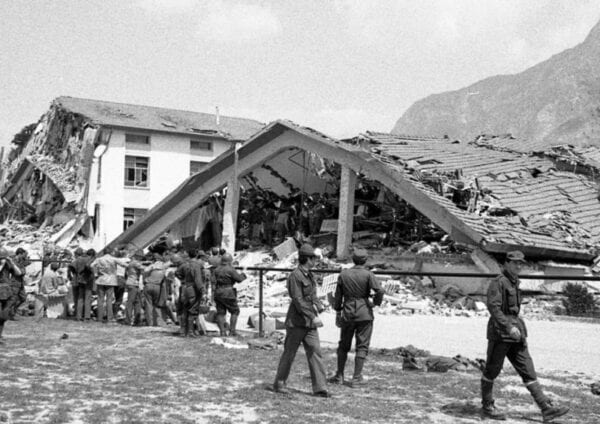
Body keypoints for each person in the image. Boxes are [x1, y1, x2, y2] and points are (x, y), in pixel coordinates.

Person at [481, 250, 569, 422]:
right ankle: (487, 406)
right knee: (492, 370)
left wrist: (516, 329)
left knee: (528, 369)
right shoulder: (499, 283)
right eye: (514, 262)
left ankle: (545, 408)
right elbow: (494, 307)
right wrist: (508, 327)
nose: (518, 265)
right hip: (501, 334)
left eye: (521, 263)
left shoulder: (515, 282)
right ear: (506, 263)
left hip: (516, 333)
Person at [273, 244, 329, 397]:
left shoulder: (309, 275)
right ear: (308, 259)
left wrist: (319, 305)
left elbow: (312, 295)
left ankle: (320, 387)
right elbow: (298, 300)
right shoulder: (295, 276)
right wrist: (313, 316)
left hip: (309, 323)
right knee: (289, 353)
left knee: (315, 352)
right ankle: (280, 383)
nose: (316, 261)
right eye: (314, 258)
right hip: (297, 322)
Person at [329, 248, 384, 387]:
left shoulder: (344, 274)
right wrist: (375, 303)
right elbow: (380, 291)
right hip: (364, 312)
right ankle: (356, 378)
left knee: (343, 345)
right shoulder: (368, 274)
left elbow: (338, 297)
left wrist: (337, 312)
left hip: (347, 312)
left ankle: (339, 375)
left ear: (353, 259)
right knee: (362, 346)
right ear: (365, 260)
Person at [91, 248, 129, 323]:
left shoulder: (99, 259)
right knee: (109, 299)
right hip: (111, 280)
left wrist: (96, 273)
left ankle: (99, 317)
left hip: (101, 279)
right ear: (111, 252)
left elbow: (91, 265)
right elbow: (124, 264)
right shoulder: (113, 259)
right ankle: (109, 317)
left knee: (100, 299)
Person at [212, 253, 246, 336]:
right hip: (228, 292)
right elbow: (239, 279)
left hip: (218, 291)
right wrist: (243, 273)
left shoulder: (216, 269)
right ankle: (232, 331)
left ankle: (222, 332)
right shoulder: (230, 269)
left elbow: (213, 281)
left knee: (220, 312)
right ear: (230, 261)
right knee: (235, 311)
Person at [174, 252, 205, 337]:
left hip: (185, 288)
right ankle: (190, 332)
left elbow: (176, 273)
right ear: (197, 256)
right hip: (193, 289)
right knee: (192, 310)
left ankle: (183, 331)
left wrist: (183, 279)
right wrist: (202, 290)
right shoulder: (196, 265)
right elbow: (198, 280)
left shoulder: (185, 265)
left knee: (184, 310)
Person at [0, 247, 23, 341]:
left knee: (4, 316)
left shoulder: (8, 263)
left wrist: (12, 263)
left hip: (6, 291)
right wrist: (1, 265)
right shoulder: (2, 265)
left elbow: (19, 273)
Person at [68, 247, 95, 321]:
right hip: (88, 280)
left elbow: (70, 266)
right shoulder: (91, 259)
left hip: (80, 280)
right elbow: (89, 267)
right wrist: (90, 272)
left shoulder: (78, 259)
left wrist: (75, 274)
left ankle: (78, 316)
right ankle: (87, 316)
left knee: (80, 298)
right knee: (87, 298)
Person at [124, 250, 145, 326]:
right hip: (133, 283)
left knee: (137, 303)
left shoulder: (133, 262)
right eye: (141, 257)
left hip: (134, 284)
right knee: (131, 302)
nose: (142, 258)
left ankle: (136, 320)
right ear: (137, 256)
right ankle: (128, 320)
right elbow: (144, 268)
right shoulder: (135, 262)